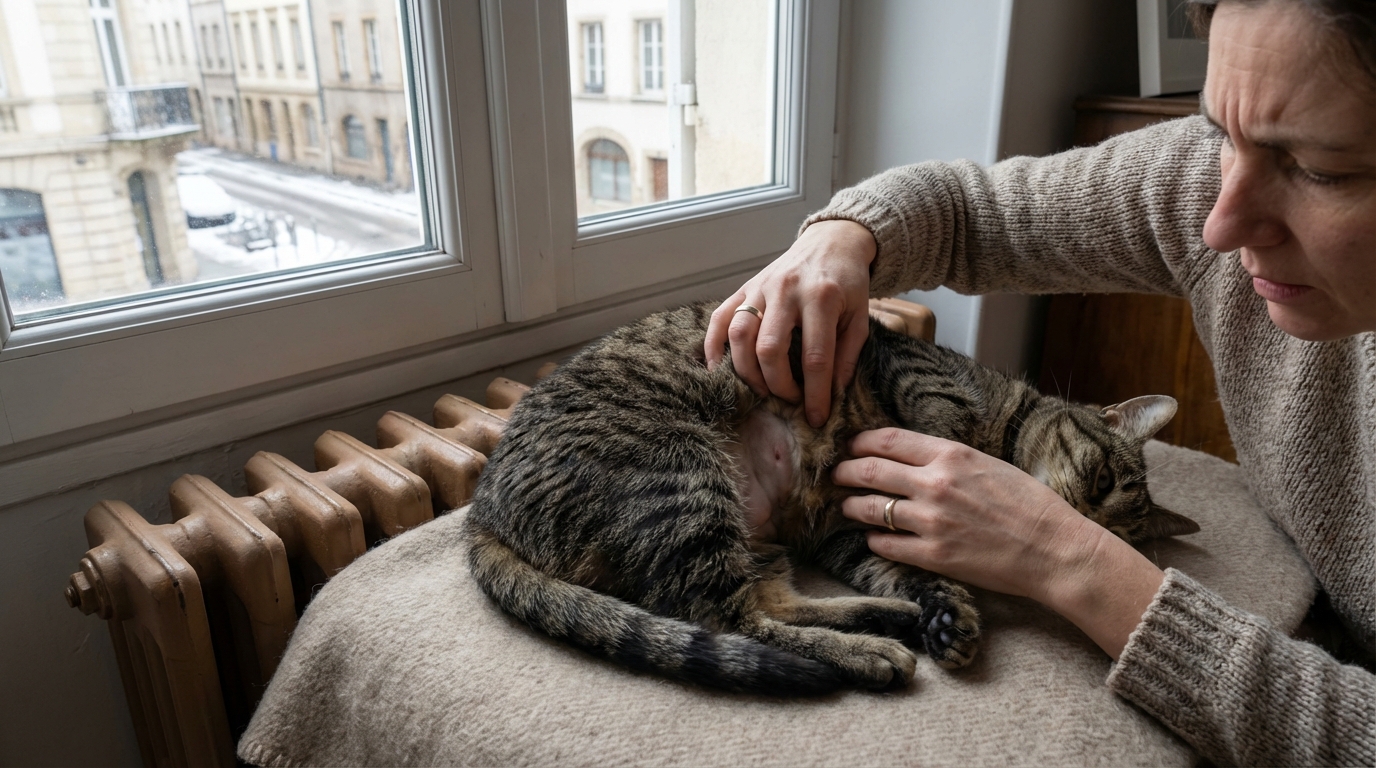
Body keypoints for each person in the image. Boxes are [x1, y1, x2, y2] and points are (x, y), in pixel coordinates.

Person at [704, 0, 1375, 765]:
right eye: (1220, 134)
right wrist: (842, 237)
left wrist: (1071, 560)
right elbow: (969, 210)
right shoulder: (1204, 187)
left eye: (1320, 169)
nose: (1218, 225)